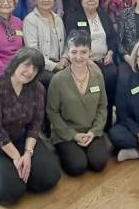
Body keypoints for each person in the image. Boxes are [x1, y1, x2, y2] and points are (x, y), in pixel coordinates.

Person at [0, 48, 61, 205]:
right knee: (9, 192)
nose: (30, 71)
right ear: (16, 63)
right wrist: (17, 158)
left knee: (49, 178)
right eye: (27, 65)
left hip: (21, 140)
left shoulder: (38, 88)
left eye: (35, 68)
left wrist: (27, 154)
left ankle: (17, 174)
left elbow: (35, 124)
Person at [46, 30, 109, 176]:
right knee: (77, 167)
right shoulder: (58, 80)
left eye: (83, 52)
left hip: (91, 130)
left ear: (90, 53)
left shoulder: (97, 75)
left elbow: (102, 106)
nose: (78, 57)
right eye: (74, 52)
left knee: (98, 163)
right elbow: (52, 112)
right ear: (68, 52)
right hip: (66, 132)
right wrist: (73, 135)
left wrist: (93, 132)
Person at [64, 0, 118, 128]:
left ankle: (106, 124)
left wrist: (110, 52)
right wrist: (87, 60)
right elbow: (72, 41)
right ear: (80, 0)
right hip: (83, 62)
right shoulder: (73, 17)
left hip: (105, 60)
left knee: (113, 75)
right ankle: (88, 123)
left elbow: (112, 37)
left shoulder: (103, 14)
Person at [23, 0, 68, 89]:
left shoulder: (58, 19)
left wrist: (65, 58)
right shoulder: (30, 20)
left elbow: (66, 42)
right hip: (40, 66)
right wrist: (54, 66)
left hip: (60, 64)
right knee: (58, 80)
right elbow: (33, 51)